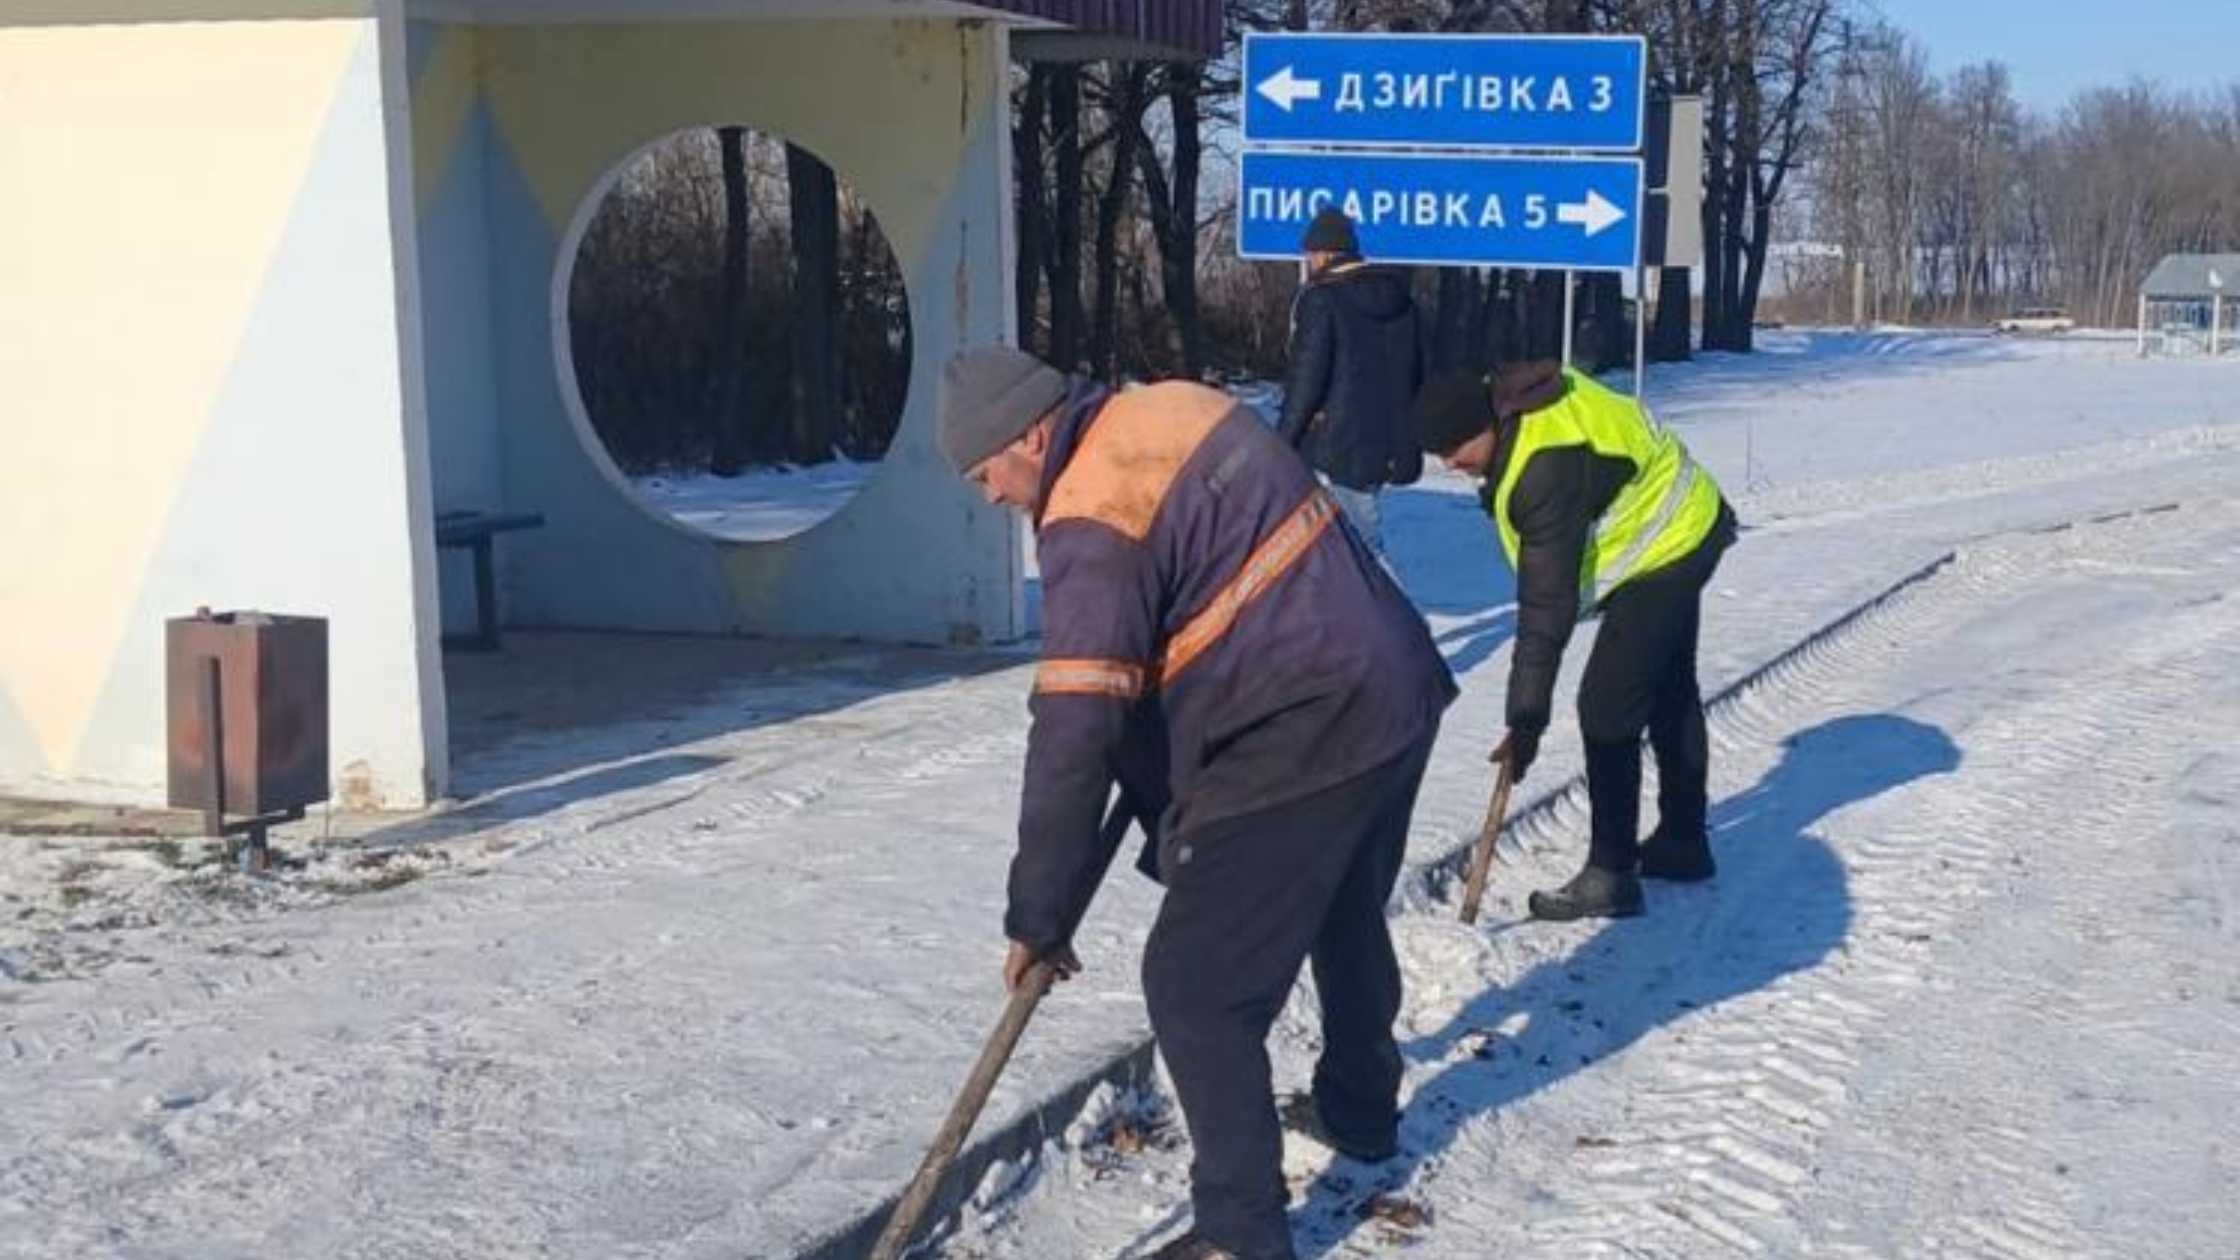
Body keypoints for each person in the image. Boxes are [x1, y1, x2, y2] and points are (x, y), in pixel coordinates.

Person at [937, 346, 1456, 1260]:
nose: (990, 497)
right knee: (1340, 909)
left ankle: (1239, 1234)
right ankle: (1361, 1106)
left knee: (1195, 987)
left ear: (1029, 433)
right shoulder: (1165, 408)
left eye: (986, 472)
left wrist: (1039, 913)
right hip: (1391, 686)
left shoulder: (1093, 511)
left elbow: (1074, 730)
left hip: (1306, 719)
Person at [1409, 362, 1738, 921]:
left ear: (1483, 423)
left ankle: (1611, 875)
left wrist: (1526, 719)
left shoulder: (1543, 469)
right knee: (1668, 686)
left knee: (1607, 707)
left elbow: (1546, 609)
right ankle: (1683, 844)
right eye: (1439, 453)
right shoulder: (1523, 414)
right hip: (1687, 521)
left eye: (1456, 446)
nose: (1450, 463)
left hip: (1670, 545)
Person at [1277, 208, 1430, 559]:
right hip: (1384, 444)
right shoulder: (1403, 302)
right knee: (1353, 539)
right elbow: (1418, 374)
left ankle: (1389, 613)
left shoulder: (1322, 300)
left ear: (1326, 254)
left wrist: (1282, 440)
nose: (1310, 261)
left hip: (1335, 445)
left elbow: (1307, 380)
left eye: (1311, 254)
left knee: (1361, 552)